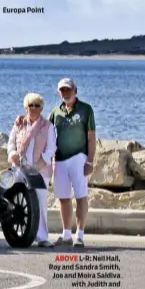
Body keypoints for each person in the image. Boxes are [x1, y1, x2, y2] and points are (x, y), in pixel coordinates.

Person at [49, 77, 96, 248]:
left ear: (75, 90)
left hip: (79, 158)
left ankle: (80, 235)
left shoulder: (86, 109)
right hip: (60, 160)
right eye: (62, 90)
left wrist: (90, 161)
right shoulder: (56, 112)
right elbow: (44, 129)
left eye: (68, 89)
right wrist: (22, 119)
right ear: (59, 92)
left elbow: (91, 137)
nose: (65, 93)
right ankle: (66, 234)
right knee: (63, 198)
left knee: (81, 196)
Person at [8, 93, 56, 248]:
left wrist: (40, 164)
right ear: (26, 107)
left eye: (37, 105)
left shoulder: (48, 126)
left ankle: (42, 238)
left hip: (39, 170)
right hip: (21, 169)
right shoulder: (19, 124)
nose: (34, 108)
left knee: (41, 203)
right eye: (31, 105)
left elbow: (51, 148)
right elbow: (11, 143)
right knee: (19, 202)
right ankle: (19, 234)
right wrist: (12, 154)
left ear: (41, 108)